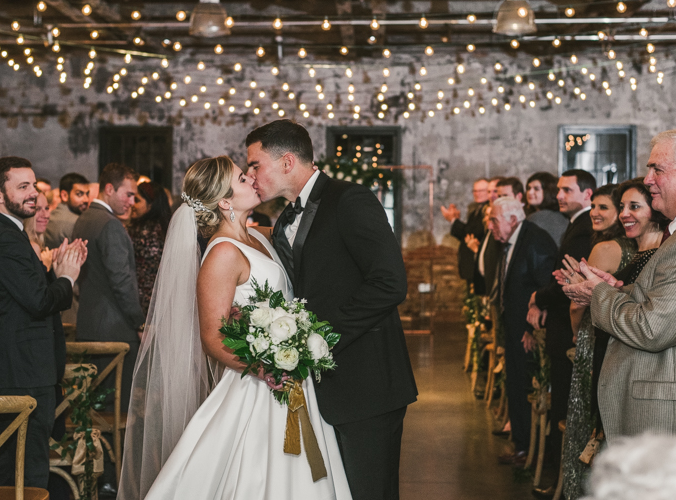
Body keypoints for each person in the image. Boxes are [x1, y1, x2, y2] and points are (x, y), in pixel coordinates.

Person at [119, 156, 352, 500]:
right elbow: (212, 336)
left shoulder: (257, 237)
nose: (253, 179)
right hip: (258, 386)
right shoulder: (222, 253)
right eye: (243, 178)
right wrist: (266, 369)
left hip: (290, 381)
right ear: (225, 201)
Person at [247, 120, 416, 500]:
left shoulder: (349, 199)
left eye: (255, 165)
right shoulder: (283, 221)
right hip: (318, 388)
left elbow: (390, 282)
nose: (249, 175)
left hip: (367, 382)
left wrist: (319, 337)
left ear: (287, 161)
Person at [0, 156, 86, 488]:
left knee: (16, 464)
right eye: (22, 186)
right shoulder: (4, 237)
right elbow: (39, 302)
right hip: (21, 366)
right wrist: (66, 277)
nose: (33, 194)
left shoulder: (10, 232)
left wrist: (56, 272)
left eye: (33, 185)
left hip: (21, 364)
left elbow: (26, 296)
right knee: (28, 467)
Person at [562, 130, 676, 444]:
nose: (648, 179)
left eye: (658, 170)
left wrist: (599, 293)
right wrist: (616, 290)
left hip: (660, 415)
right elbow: (660, 301)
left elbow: (653, 327)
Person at [559, 184, 635, 499]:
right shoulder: (642, 246)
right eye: (594, 207)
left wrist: (577, 330)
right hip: (622, 336)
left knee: (589, 417)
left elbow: (579, 304)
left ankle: (578, 487)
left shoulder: (605, 249)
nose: (595, 213)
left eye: (604, 207)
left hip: (599, 334)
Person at [527, 169, 595, 497]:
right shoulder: (576, 224)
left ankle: (563, 481)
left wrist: (540, 296)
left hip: (566, 328)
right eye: (560, 190)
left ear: (587, 194)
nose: (560, 195)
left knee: (566, 407)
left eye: (567, 190)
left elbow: (567, 280)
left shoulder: (584, 228)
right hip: (559, 323)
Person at [487, 197, 557, 466]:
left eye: (494, 220)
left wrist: (531, 329)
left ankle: (527, 447)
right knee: (516, 383)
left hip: (527, 331)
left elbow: (544, 286)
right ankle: (521, 443)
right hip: (515, 325)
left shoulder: (535, 240)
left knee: (523, 385)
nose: (491, 225)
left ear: (513, 220)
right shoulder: (515, 238)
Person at [72, 163, 143, 412]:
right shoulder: (110, 224)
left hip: (91, 324)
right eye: (129, 194)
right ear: (110, 189)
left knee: (97, 408)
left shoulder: (85, 219)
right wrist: (139, 321)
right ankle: (113, 453)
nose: (132, 201)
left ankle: (98, 452)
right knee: (117, 409)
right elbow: (121, 280)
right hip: (114, 329)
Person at [127, 181, 171, 316]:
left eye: (137, 200)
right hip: (163, 302)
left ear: (151, 205)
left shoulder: (143, 232)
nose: (132, 204)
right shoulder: (165, 229)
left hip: (142, 303)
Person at [441, 178, 489, 287]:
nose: (477, 194)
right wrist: (454, 220)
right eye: (475, 191)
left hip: (479, 264)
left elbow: (474, 233)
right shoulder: (475, 212)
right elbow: (466, 236)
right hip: (471, 265)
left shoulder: (487, 210)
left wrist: (454, 220)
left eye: (481, 191)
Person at [526, 172, 569, 248]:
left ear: (548, 191)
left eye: (536, 189)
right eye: (528, 188)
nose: (530, 192)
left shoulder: (537, 217)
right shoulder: (562, 215)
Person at [24, 190, 54, 271]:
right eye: (37, 209)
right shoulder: (30, 247)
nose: (46, 215)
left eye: (47, 208)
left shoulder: (37, 245)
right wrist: (46, 267)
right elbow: (37, 283)